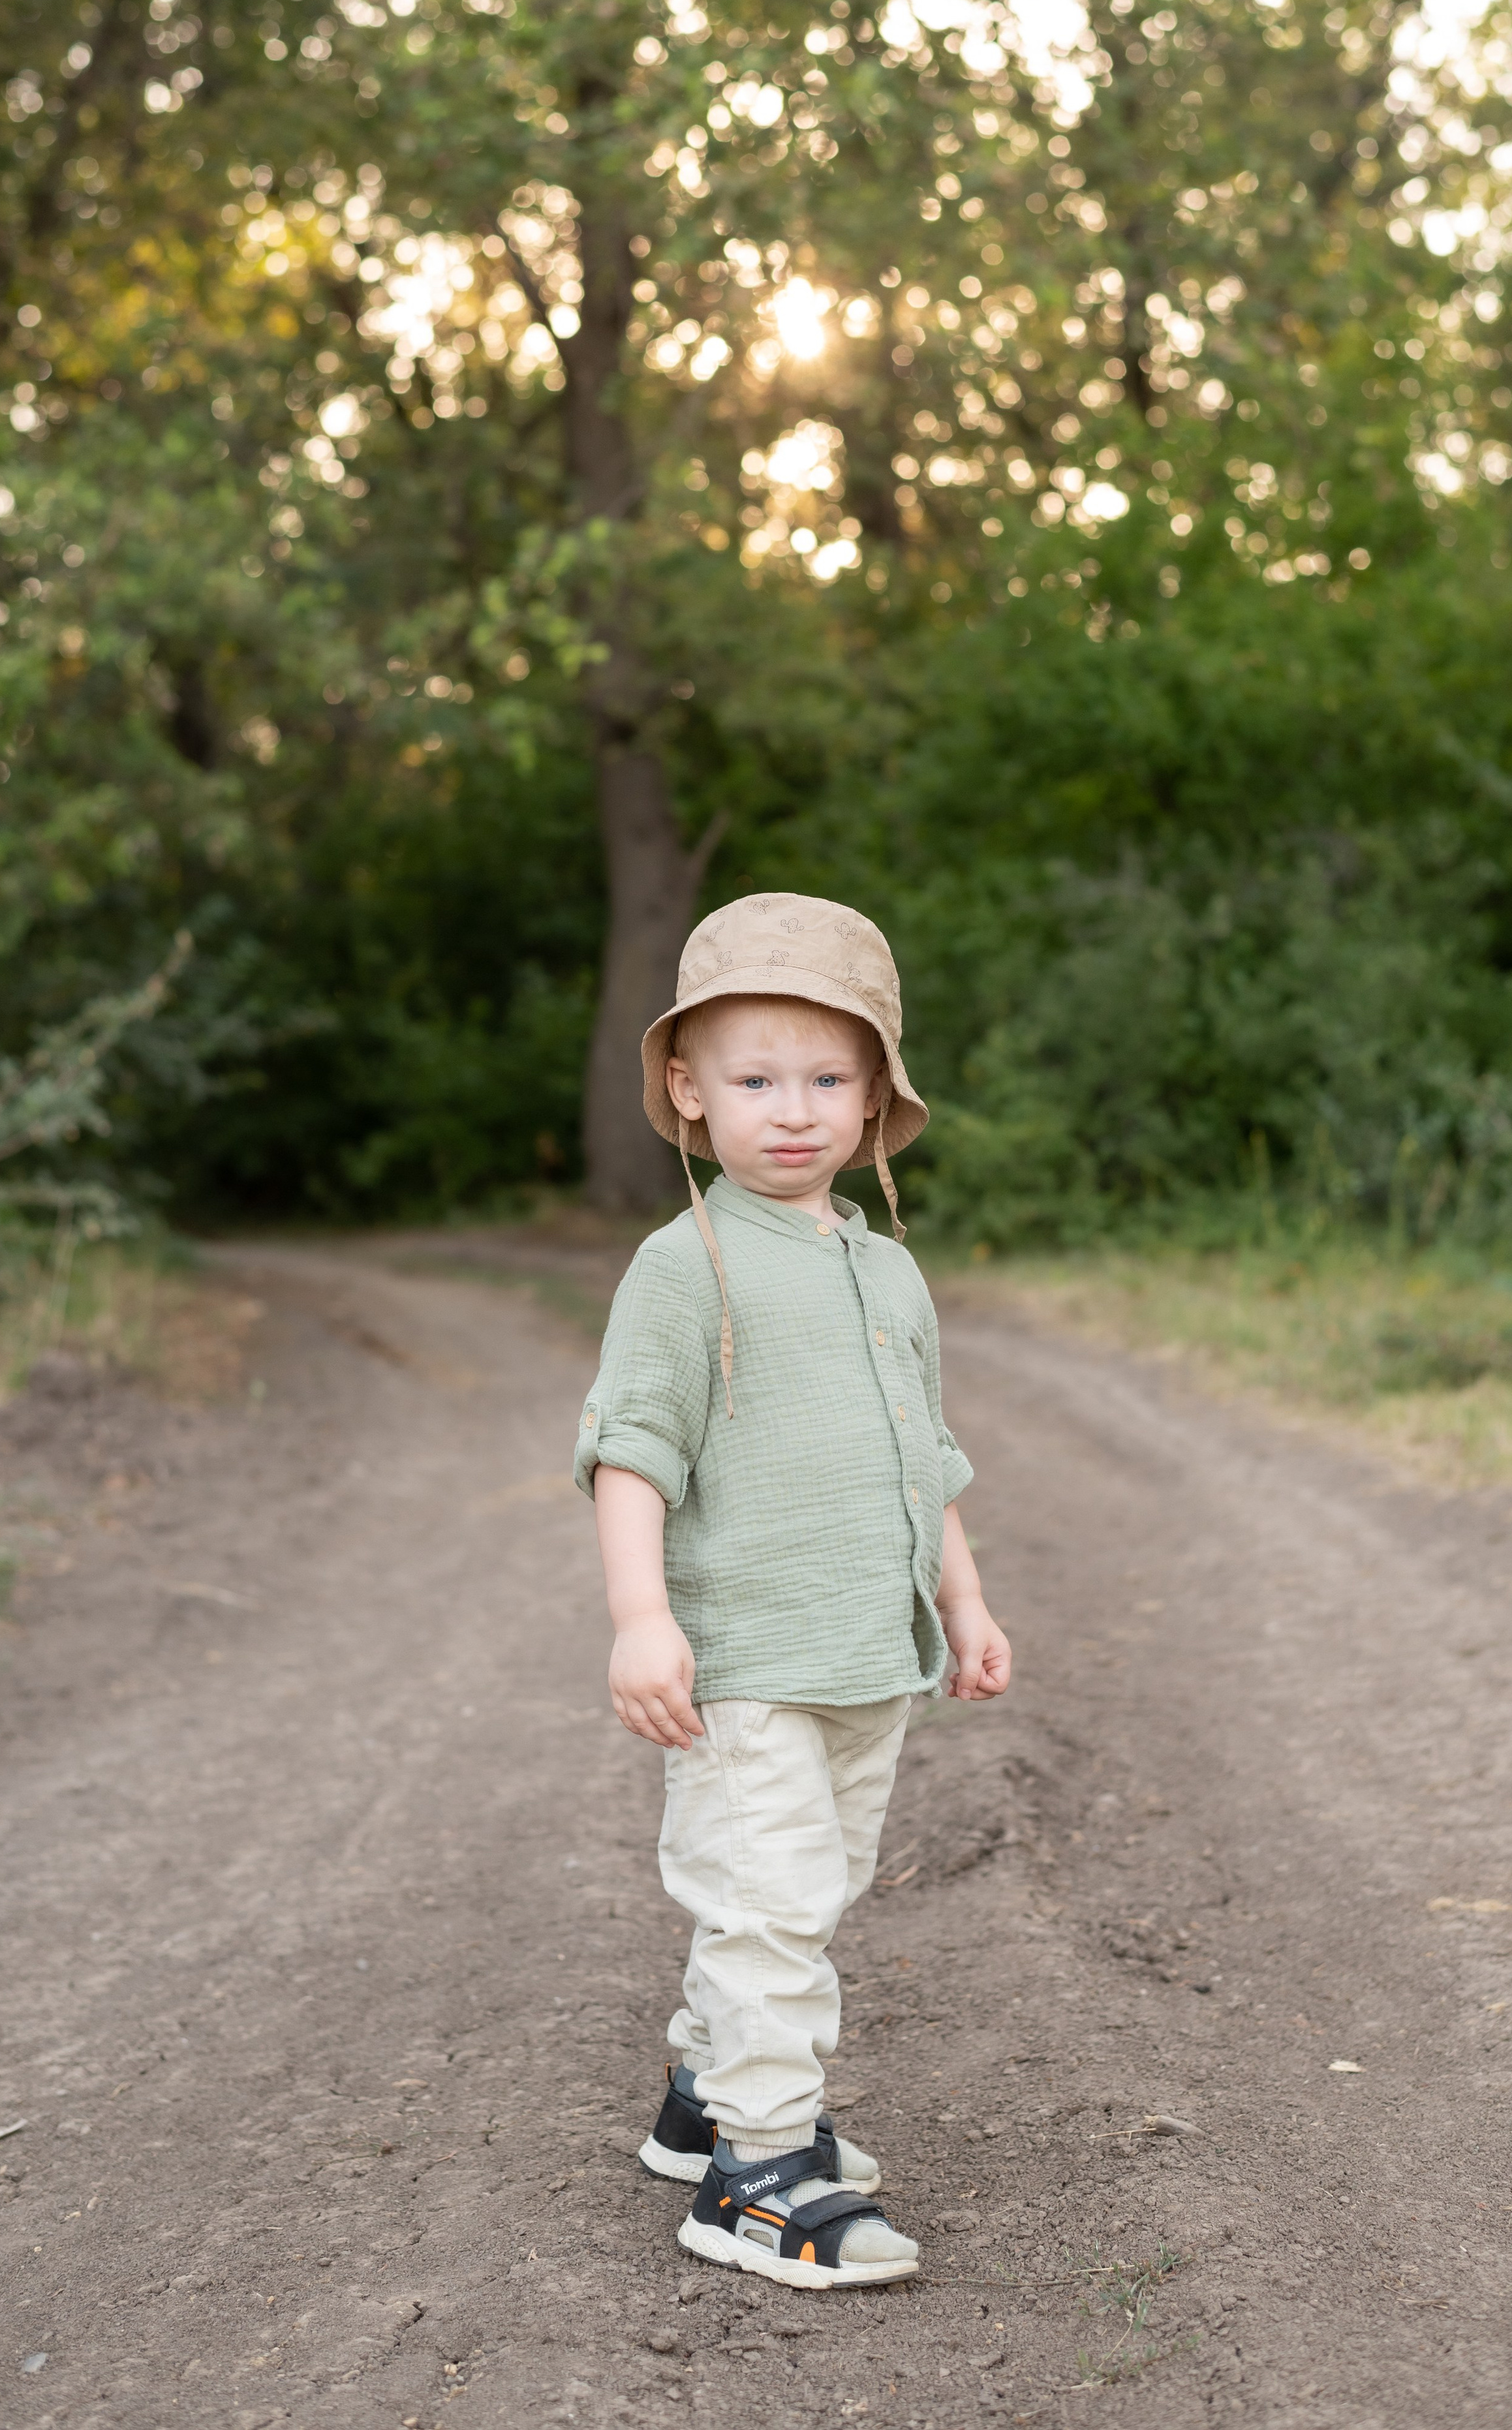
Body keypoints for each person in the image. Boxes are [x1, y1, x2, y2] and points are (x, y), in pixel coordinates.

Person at [574, 891, 1011, 2290]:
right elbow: (630, 1449)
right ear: (689, 1094)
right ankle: (754, 2176)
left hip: (864, 1655)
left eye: (827, 1077)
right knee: (764, 1900)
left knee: (806, 1894)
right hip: (746, 1660)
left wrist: (966, 1600)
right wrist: (642, 1617)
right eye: (755, 1079)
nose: (792, 1109)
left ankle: (705, 2102)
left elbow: (919, 1458)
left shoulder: (884, 1267)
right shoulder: (682, 1264)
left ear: (877, 1096)